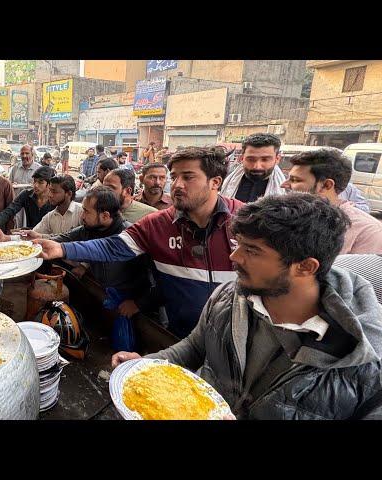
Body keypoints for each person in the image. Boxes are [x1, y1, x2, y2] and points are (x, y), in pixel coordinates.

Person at [112, 193, 382, 420]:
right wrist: (147, 367)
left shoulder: (366, 361)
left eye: (252, 251)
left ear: (305, 266)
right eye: (238, 244)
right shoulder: (229, 296)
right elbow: (194, 347)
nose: (233, 257)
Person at [35, 146, 243, 339]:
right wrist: (61, 248)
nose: (176, 185)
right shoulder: (157, 224)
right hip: (181, 337)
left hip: (234, 338)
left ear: (215, 182)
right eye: (175, 177)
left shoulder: (246, 221)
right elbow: (113, 246)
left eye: (188, 177)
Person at [51, 186, 152, 298]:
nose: (82, 216)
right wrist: (35, 242)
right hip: (102, 292)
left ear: (105, 216)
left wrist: (137, 304)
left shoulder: (131, 237)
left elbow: (151, 279)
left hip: (127, 301)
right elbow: (62, 238)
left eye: (86, 211)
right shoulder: (89, 229)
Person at [281, 148, 382, 254]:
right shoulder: (290, 217)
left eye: (295, 180)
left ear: (326, 185)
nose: (283, 185)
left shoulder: (367, 231)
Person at [220, 133, 286, 203]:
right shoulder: (224, 179)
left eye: (265, 160)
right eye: (251, 159)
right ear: (242, 158)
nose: (257, 166)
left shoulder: (287, 189)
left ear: (277, 159)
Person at [0, 166, 56, 232]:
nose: (36, 185)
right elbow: (8, 211)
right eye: (34, 181)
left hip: (50, 238)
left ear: (50, 184)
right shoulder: (26, 194)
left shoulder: (55, 200)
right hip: (30, 235)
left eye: (40, 182)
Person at [24, 175, 82, 239]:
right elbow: (35, 234)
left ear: (69, 194)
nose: (50, 195)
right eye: (50, 190)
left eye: (54, 192)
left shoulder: (82, 212)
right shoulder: (50, 217)